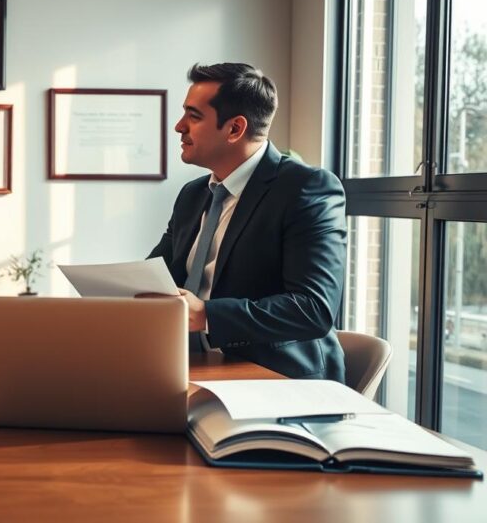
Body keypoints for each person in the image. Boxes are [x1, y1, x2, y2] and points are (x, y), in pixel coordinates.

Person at [148, 63, 346, 381]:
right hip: (187, 368)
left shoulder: (306, 188)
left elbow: (313, 308)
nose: (179, 126)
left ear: (235, 129)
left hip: (274, 380)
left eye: (193, 116)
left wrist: (206, 315)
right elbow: (159, 276)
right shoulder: (192, 195)